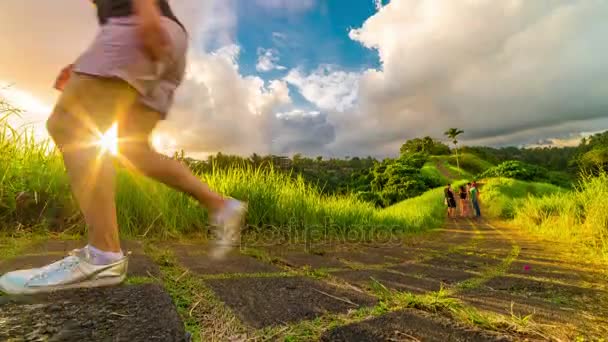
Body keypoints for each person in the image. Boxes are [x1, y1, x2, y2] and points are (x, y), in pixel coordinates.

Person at [0, 0, 247, 295]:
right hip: (168, 37)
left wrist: (145, 11)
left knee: (69, 125)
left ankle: (103, 256)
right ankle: (220, 204)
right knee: (134, 150)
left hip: (143, 23)